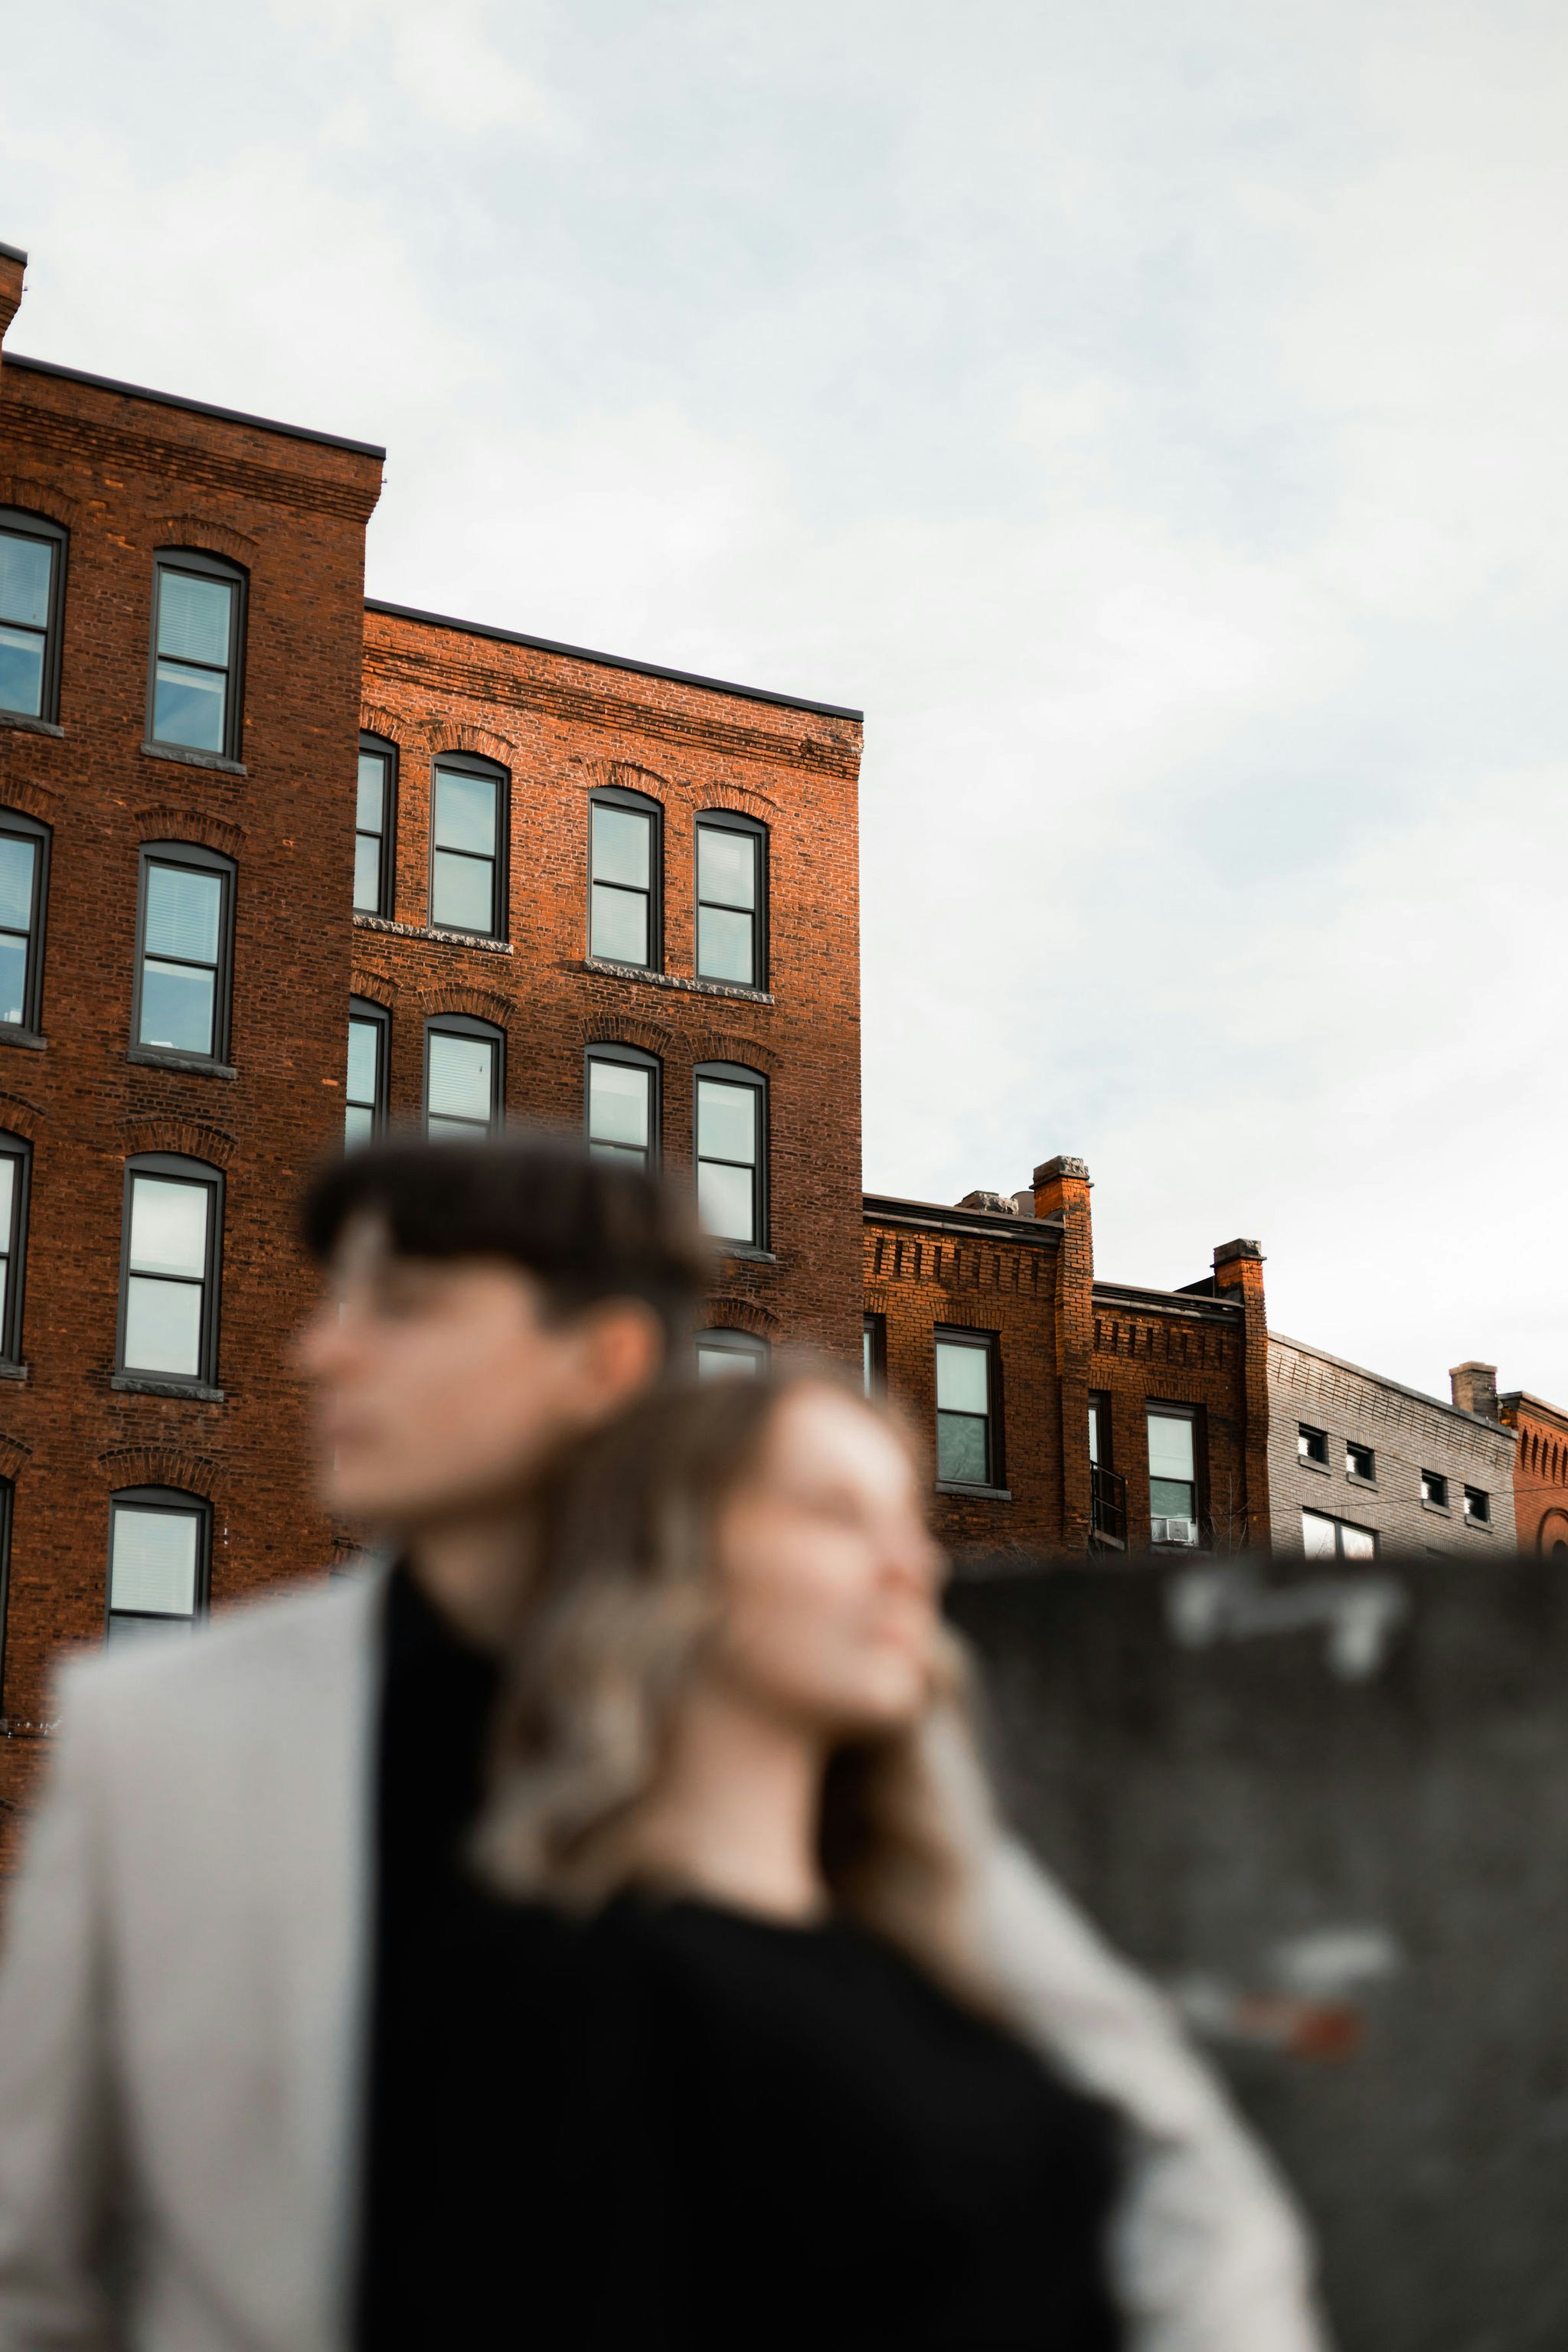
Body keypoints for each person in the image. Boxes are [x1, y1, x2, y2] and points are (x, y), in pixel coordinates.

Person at [0, 1134, 1329, 2352]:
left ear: (604, 1364)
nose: (320, 1352)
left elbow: (1175, 2170)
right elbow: (31, 2259)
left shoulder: (780, 1709)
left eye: (399, 1309)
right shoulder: (159, 1734)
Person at [394, 1361, 1125, 2348]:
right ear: (673, 1558)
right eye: (836, 1513)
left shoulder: (923, 1950)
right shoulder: (564, 1986)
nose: (912, 1565)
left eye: (906, 1520)